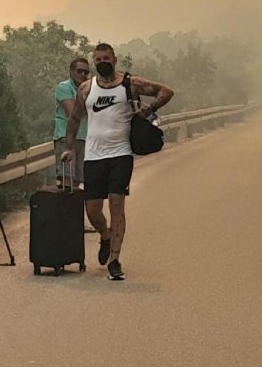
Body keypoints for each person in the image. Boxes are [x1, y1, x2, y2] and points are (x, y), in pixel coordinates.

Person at [62, 43, 174, 280]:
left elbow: (166, 91)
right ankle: (104, 234)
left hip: (120, 154)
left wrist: (148, 109)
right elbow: (74, 119)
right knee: (92, 210)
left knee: (116, 202)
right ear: (94, 62)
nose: (103, 61)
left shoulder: (129, 84)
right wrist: (68, 148)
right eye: (98, 58)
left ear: (114, 59)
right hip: (93, 156)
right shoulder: (85, 89)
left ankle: (115, 260)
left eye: (106, 58)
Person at [53, 58, 95, 233]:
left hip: (83, 138)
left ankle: (75, 222)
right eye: (79, 71)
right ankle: (63, 221)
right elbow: (73, 112)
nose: (83, 74)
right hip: (66, 138)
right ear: (71, 72)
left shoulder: (87, 89)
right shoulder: (64, 88)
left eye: (86, 72)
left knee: (77, 182)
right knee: (66, 181)